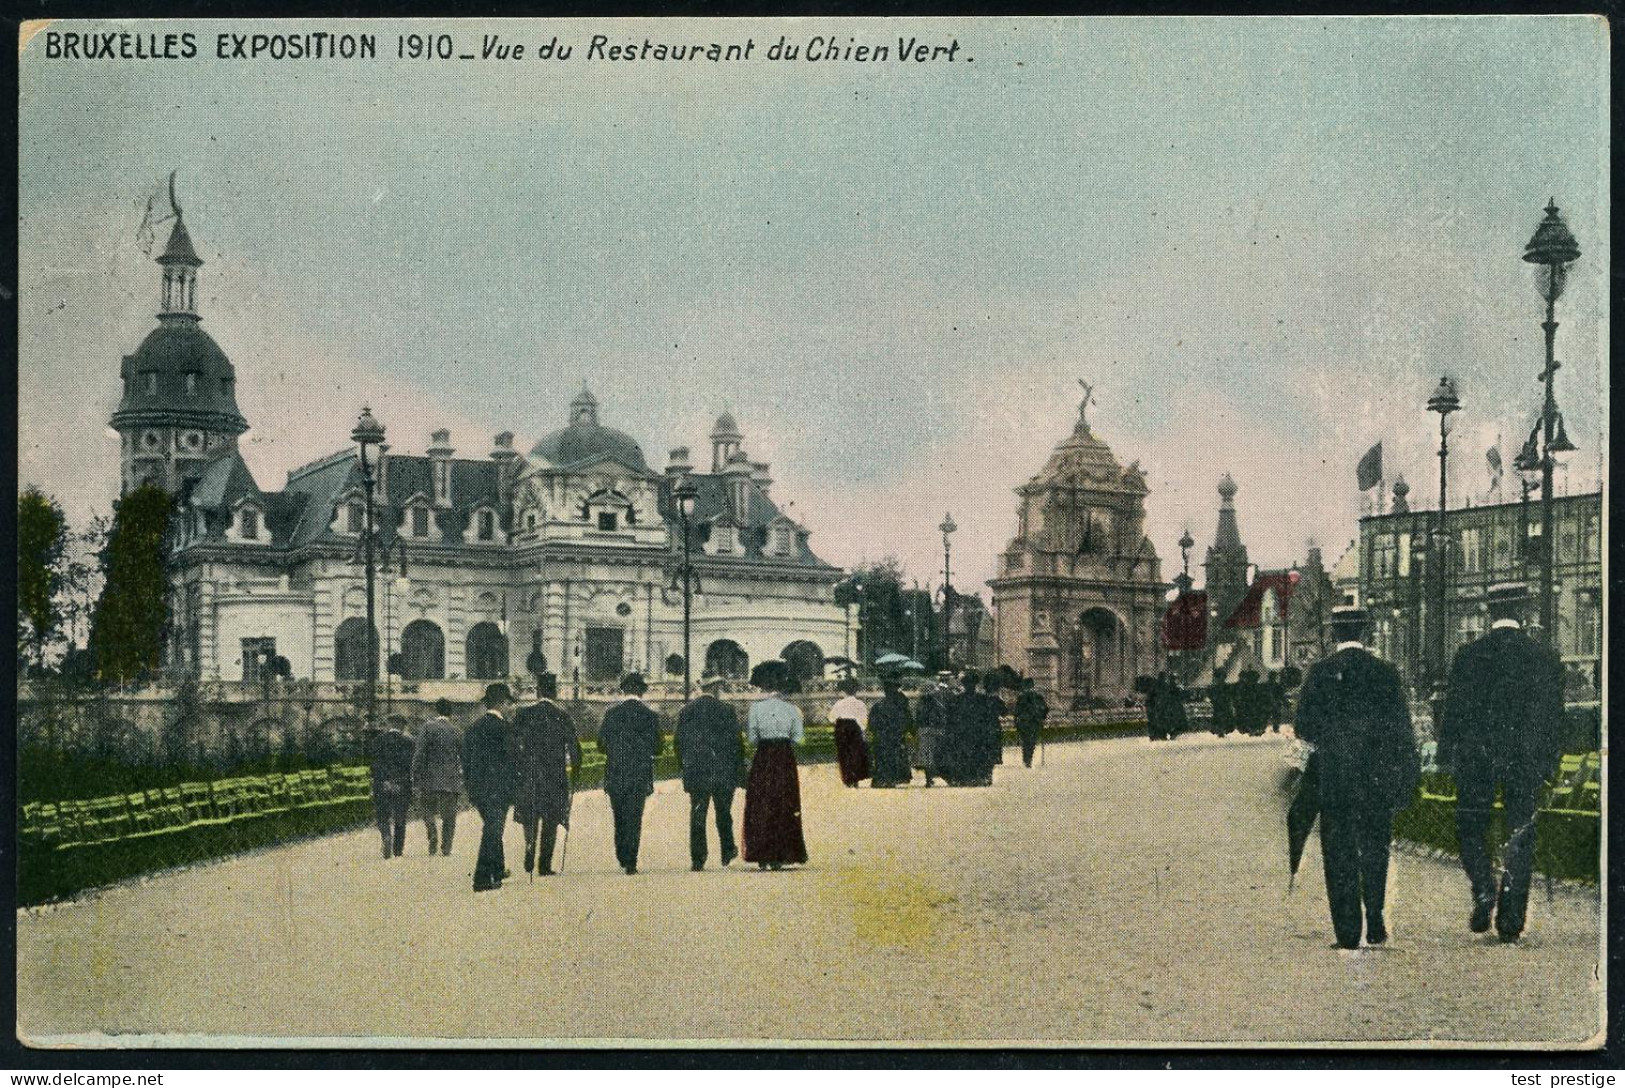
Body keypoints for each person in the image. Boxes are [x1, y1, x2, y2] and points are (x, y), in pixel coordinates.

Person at [1439, 582, 1564, 942]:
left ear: (1488, 612)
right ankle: (1510, 920)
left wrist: (1448, 757)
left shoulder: (1468, 656)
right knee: (1520, 832)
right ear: (1524, 612)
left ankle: (1482, 885)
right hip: (1523, 760)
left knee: (1469, 829)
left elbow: (1454, 713)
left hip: (1476, 758)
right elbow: (1553, 719)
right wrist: (1548, 762)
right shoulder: (1543, 657)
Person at [1293, 606, 1419, 949]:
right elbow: (1402, 731)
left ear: (1334, 634)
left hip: (1335, 779)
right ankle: (1376, 915)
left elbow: (1303, 726)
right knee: (1375, 846)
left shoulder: (1320, 674)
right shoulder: (1385, 674)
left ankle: (1348, 932)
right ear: (1365, 633)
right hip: (1377, 778)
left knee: (1339, 851)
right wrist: (1406, 775)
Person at [510, 673, 582, 878]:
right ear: (555, 692)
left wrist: (517, 765)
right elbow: (575, 748)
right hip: (554, 775)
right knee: (551, 819)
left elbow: (512, 743)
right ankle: (544, 864)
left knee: (530, 815)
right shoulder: (563, 715)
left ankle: (529, 845)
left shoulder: (524, 713)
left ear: (538, 691)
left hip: (529, 773)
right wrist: (576, 771)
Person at [675, 673, 745, 871]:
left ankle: (698, 858)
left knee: (698, 812)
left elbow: (678, 742)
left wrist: (683, 765)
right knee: (723, 812)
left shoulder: (687, 710)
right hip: (722, 770)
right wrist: (738, 768)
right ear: (716, 688)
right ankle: (727, 850)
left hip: (696, 769)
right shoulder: (726, 710)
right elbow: (736, 743)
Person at [743, 660, 808, 869]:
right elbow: (800, 739)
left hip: (764, 756)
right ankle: (781, 852)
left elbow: (752, 739)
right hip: (784, 757)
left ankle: (762, 853)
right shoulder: (792, 710)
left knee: (761, 802)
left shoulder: (755, 709)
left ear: (762, 685)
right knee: (784, 800)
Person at [598, 673, 663, 876]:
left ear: (623, 690)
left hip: (616, 771)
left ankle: (622, 854)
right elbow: (658, 747)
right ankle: (631, 861)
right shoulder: (650, 715)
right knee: (635, 816)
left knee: (619, 817)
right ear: (642, 691)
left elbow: (601, 744)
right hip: (639, 772)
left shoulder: (611, 714)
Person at [462, 683, 517, 892]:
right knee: (493, 830)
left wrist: (470, 786)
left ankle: (497, 867)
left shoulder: (473, 728)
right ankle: (482, 878)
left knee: (493, 827)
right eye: (509, 703)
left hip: (478, 788)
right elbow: (512, 760)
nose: (511, 708)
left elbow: (466, 760)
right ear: (502, 703)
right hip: (499, 788)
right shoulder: (505, 729)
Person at [413, 697, 464, 857]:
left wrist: (415, 774)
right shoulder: (456, 730)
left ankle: (432, 831)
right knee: (449, 816)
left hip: (430, 778)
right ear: (451, 712)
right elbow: (464, 756)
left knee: (426, 808)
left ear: (437, 710)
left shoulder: (428, 727)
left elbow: (419, 753)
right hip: (450, 779)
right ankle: (446, 847)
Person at [369, 716, 415, 860]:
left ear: (389, 724)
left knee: (382, 815)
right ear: (402, 726)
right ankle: (398, 850)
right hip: (402, 785)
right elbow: (411, 766)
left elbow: (374, 765)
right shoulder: (410, 742)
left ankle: (386, 836)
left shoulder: (378, 741)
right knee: (400, 817)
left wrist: (383, 780)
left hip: (382, 784)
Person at [867, 678, 913, 788]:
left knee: (881, 757)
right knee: (895, 756)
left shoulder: (878, 706)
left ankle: (881, 779)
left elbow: (871, 723)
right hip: (896, 735)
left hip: (881, 735)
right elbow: (908, 720)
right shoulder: (901, 705)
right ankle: (893, 778)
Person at [828, 678, 871, 788]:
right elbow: (863, 720)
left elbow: (831, 718)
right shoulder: (860, 703)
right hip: (854, 727)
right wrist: (863, 730)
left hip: (842, 727)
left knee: (843, 753)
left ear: (843, 691)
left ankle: (847, 778)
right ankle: (855, 776)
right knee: (855, 753)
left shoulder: (839, 703)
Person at [914, 680, 950, 787]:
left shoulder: (919, 704)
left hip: (923, 731)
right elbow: (942, 717)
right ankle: (938, 776)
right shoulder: (936, 703)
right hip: (936, 731)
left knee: (926, 756)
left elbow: (917, 718)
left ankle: (928, 778)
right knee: (936, 755)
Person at [1013, 677, 1049, 766]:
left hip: (1026, 722)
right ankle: (1028, 759)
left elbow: (1017, 711)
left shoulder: (1023, 697)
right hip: (1033, 722)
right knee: (1031, 741)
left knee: (1026, 741)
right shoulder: (1037, 696)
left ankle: (1027, 759)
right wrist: (1042, 716)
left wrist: (1016, 722)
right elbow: (1045, 709)